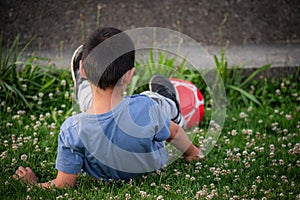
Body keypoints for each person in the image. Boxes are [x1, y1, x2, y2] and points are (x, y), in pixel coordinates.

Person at [14, 27, 204, 188]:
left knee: (91, 102)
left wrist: (34, 184)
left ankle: (83, 85)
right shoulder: (146, 108)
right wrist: (192, 153)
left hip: (106, 176)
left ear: (83, 68)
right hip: (152, 170)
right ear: (129, 75)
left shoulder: (72, 129)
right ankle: (170, 103)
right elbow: (175, 133)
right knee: (151, 99)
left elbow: (63, 185)